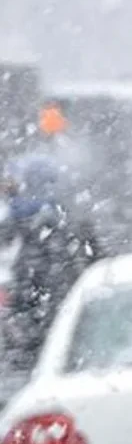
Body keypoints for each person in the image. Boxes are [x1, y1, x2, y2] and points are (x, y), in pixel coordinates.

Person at [0, 154, 101, 374]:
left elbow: (46, 295)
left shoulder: (45, 232)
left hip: (40, 353)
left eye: (13, 184)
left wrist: (22, 331)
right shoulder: (39, 227)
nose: (7, 191)